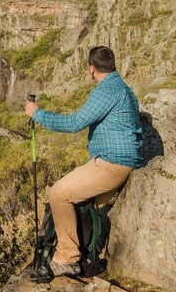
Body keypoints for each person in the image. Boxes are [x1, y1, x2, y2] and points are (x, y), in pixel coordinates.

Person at [24, 46, 144, 277]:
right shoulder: (124, 89)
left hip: (110, 164)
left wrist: (36, 114)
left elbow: (74, 123)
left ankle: (67, 258)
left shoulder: (107, 90)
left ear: (91, 68)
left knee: (59, 194)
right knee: (82, 206)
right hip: (119, 162)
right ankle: (86, 253)